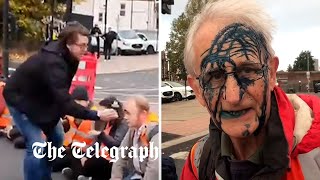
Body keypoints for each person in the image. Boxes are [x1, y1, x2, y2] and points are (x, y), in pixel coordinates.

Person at [181, 0, 320, 180]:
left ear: (271, 74)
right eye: (215, 76)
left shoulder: (313, 156)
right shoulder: (197, 161)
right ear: (198, 90)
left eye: (247, 70)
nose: (233, 96)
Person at [3, 21, 118, 180]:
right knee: (37, 146)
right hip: (21, 100)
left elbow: (59, 92)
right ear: (69, 44)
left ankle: (43, 174)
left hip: (41, 100)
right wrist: (97, 115)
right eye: (82, 45)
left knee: (57, 138)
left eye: (87, 45)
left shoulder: (71, 56)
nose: (85, 50)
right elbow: (64, 101)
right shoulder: (54, 63)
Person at [63, 96, 129, 180]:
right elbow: (97, 144)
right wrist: (86, 155)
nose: (101, 114)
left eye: (103, 111)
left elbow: (115, 145)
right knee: (76, 153)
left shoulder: (122, 125)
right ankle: (78, 175)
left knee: (96, 161)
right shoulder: (106, 123)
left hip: (110, 159)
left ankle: (79, 174)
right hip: (99, 155)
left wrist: (100, 134)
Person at [111, 96, 159, 180]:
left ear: (143, 114)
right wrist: (116, 177)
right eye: (124, 113)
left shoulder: (154, 133)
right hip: (136, 174)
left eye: (128, 113)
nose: (125, 117)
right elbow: (121, 154)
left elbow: (154, 169)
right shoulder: (133, 130)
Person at [52, 86, 97, 173]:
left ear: (88, 102)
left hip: (84, 150)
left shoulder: (94, 117)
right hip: (68, 148)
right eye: (76, 101)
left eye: (81, 101)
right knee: (50, 163)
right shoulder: (68, 113)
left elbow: (96, 140)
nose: (78, 104)